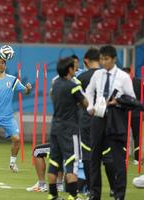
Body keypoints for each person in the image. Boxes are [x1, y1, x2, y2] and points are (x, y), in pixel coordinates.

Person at [86, 45, 135, 200]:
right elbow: (88, 91)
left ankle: (119, 195)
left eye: (106, 59)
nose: (103, 62)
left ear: (114, 59)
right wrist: (90, 107)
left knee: (118, 159)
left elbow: (132, 99)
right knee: (94, 158)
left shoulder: (123, 77)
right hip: (98, 119)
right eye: (101, 59)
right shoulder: (97, 75)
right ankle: (95, 194)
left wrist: (118, 103)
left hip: (115, 120)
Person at [77, 48, 116, 197]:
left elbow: (77, 100)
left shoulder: (81, 78)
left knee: (88, 155)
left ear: (85, 60)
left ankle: (92, 190)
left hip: (88, 121)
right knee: (108, 155)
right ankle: (113, 188)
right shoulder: (107, 76)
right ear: (99, 60)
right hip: (107, 119)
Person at [48, 57, 88, 200]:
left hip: (55, 127)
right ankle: (73, 195)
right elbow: (85, 103)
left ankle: (52, 195)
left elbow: (53, 98)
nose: (75, 69)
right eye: (74, 67)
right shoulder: (73, 86)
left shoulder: (55, 85)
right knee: (72, 161)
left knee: (54, 161)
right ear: (70, 69)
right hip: (69, 129)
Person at [122, 67, 141, 165]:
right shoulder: (138, 82)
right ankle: (130, 157)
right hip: (128, 113)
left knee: (135, 135)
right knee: (131, 135)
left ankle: (135, 158)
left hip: (133, 113)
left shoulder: (137, 82)